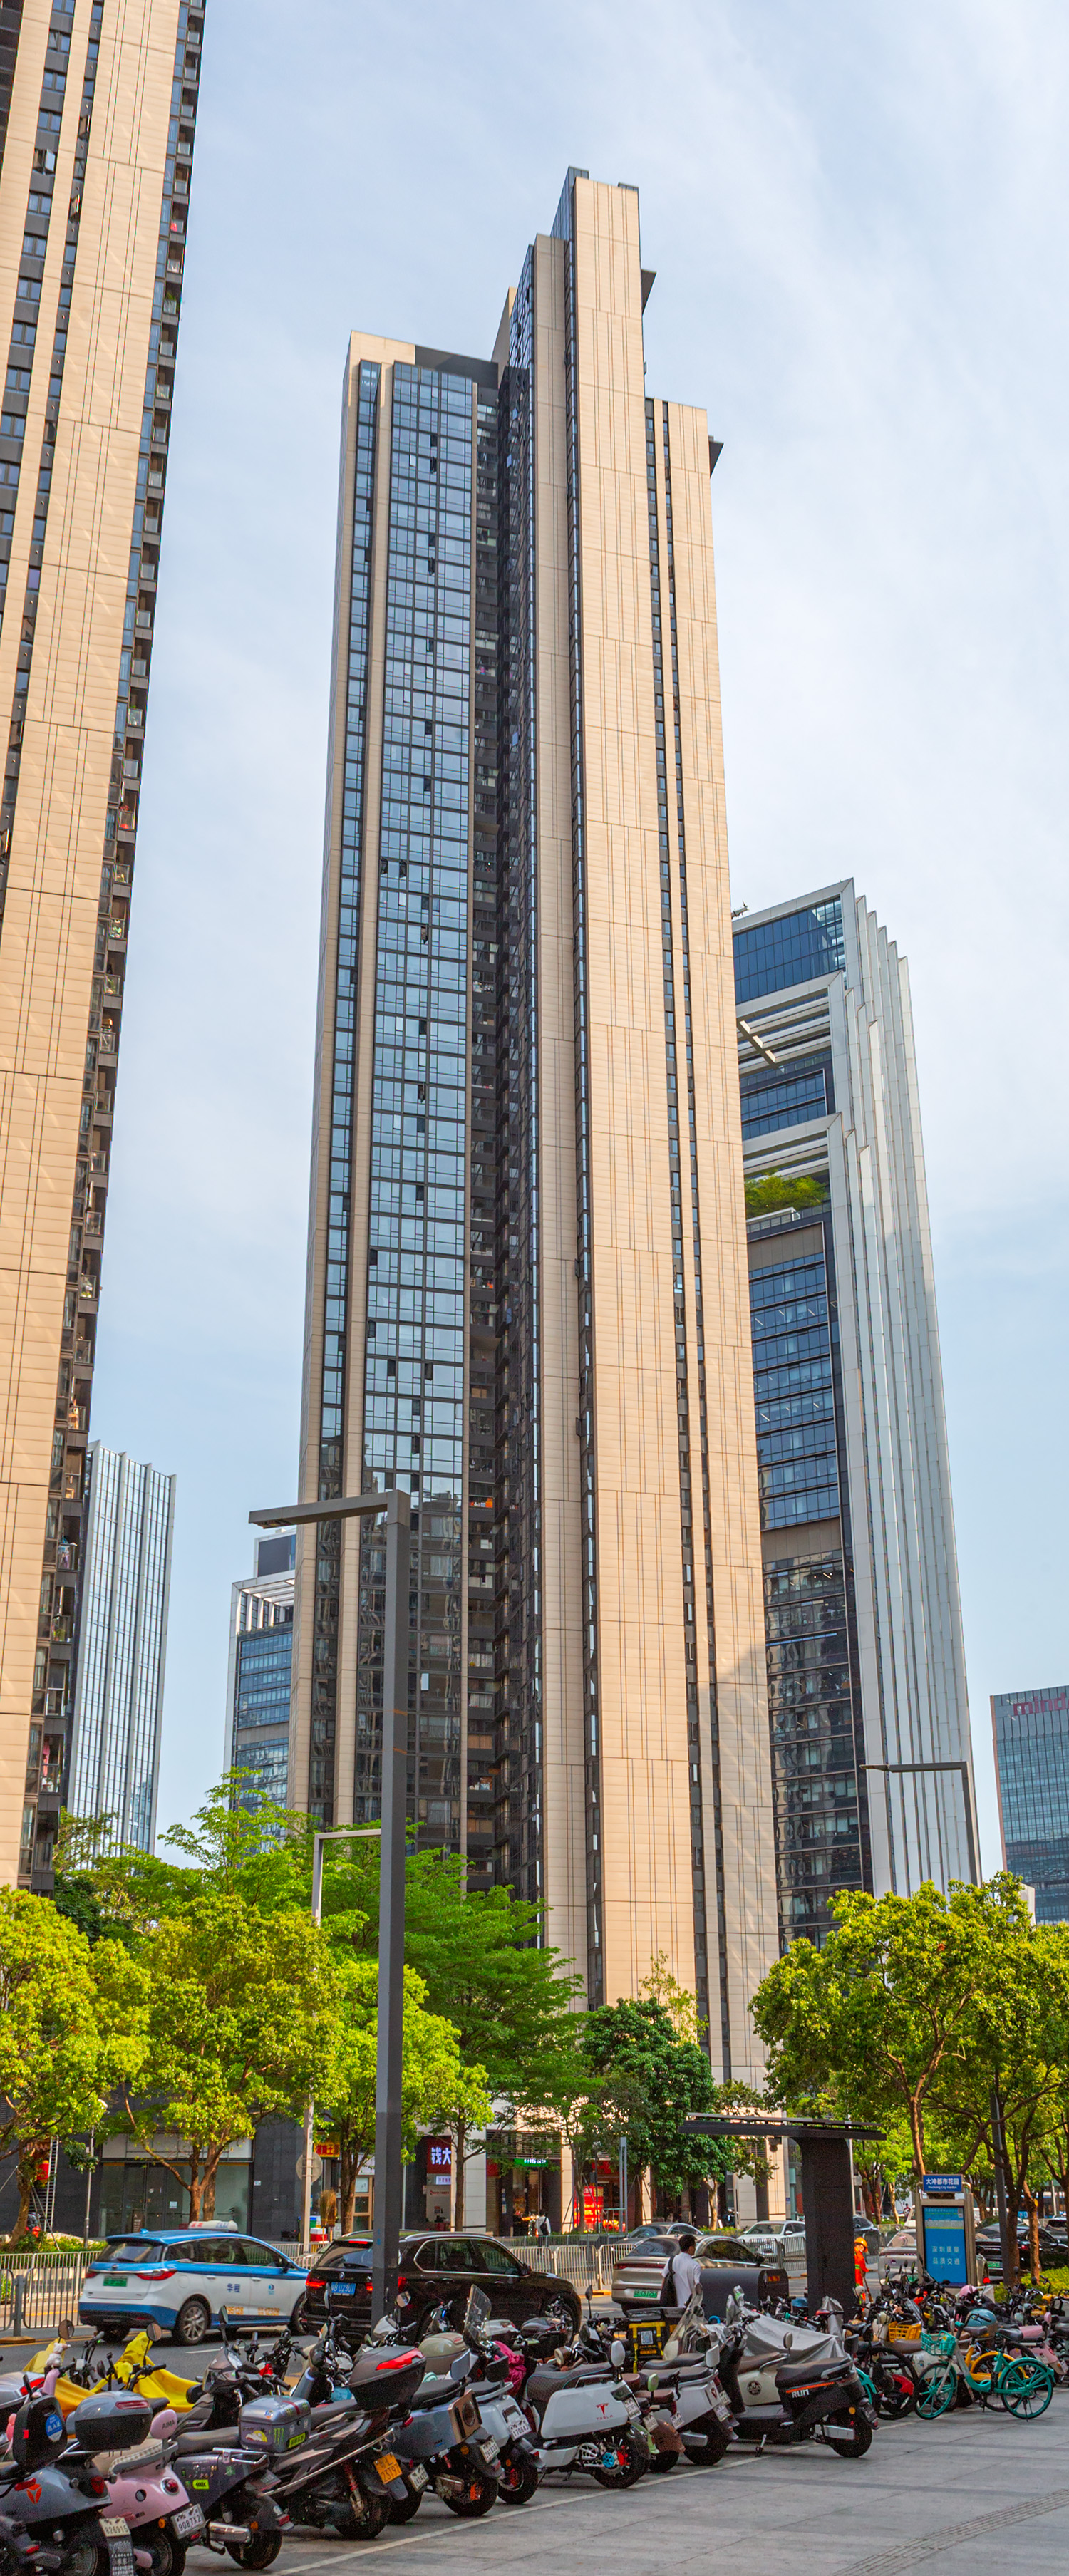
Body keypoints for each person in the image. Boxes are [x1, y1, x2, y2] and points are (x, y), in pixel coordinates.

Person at [659, 2228, 703, 2315]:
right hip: (689, 2308)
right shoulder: (695, 2266)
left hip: (673, 2307)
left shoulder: (671, 2261)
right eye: (694, 2246)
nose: (695, 2249)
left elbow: (664, 2281)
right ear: (691, 2248)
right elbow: (697, 2288)